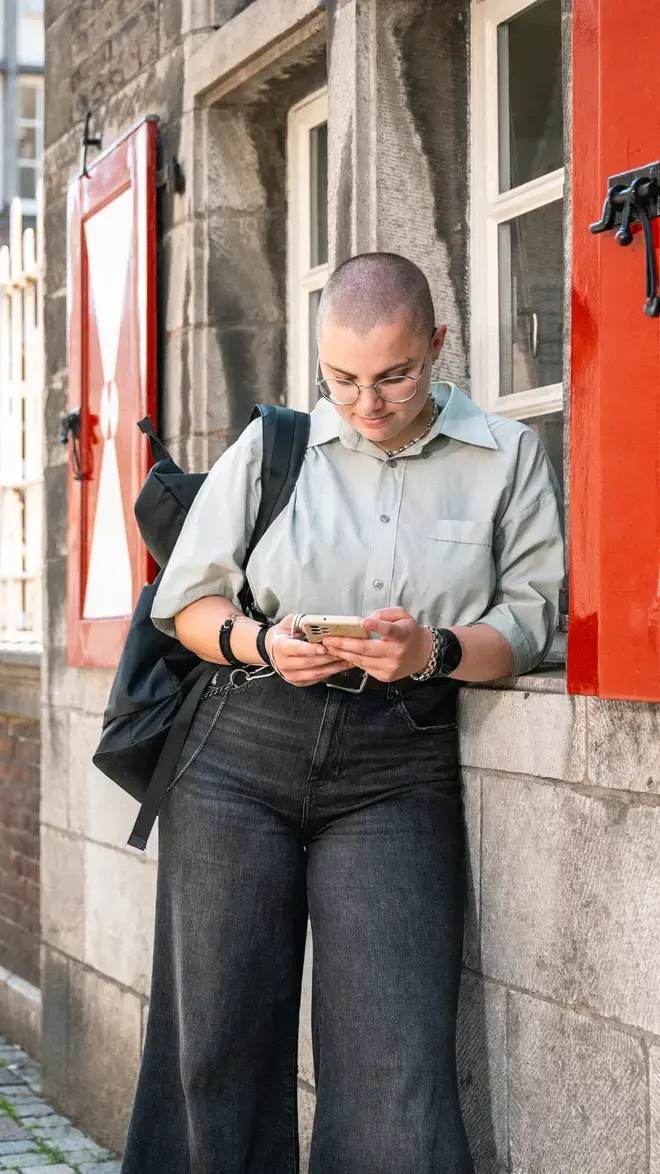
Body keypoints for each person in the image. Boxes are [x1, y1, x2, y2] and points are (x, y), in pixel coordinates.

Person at [120, 252, 564, 1174]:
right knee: (214, 1053)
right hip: (240, 749)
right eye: (342, 378)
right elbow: (187, 606)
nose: (366, 403)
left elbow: (526, 621)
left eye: (395, 375)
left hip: (396, 769)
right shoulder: (274, 447)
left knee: (396, 1068)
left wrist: (433, 651)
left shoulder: (507, 458)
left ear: (439, 346)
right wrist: (259, 642)